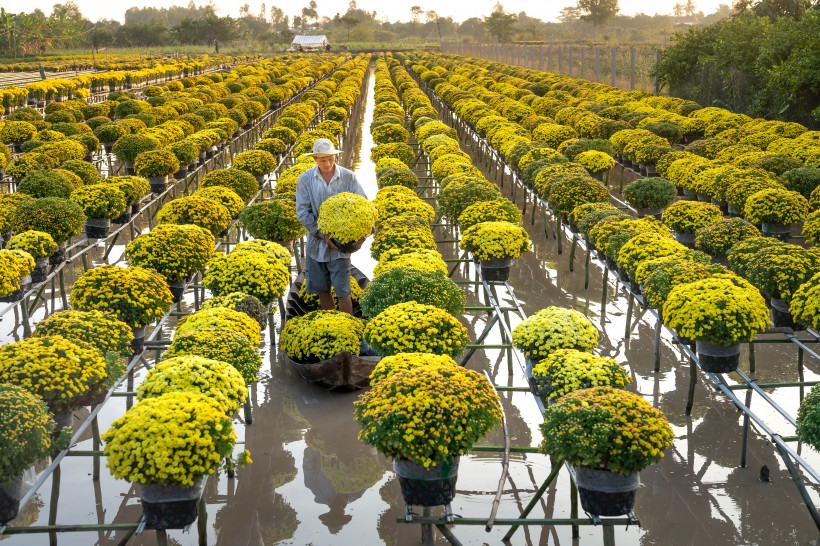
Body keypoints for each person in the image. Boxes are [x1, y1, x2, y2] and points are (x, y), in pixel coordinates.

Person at [296, 138, 367, 315]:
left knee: (343, 290)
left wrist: (361, 235)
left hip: (341, 245)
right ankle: (332, 322)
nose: (327, 163)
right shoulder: (305, 180)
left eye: (330, 159)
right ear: (315, 160)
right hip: (316, 245)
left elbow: (364, 206)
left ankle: (348, 326)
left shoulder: (348, 177)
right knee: (322, 289)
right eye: (323, 160)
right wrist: (322, 234)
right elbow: (303, 213)